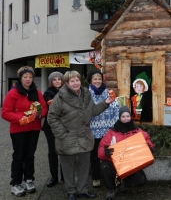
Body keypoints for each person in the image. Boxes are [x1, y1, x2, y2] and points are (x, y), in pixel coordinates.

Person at [47, 71, 114, 200]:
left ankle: (82, 190)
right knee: (68, 167)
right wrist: (61, 134)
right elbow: (52, 117)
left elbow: (92, 111)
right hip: (67, 137)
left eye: (77, 80)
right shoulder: (60, 97)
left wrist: (106, 102)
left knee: (84, 166)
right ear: (66, 83)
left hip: (84, 136)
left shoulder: (86, 94)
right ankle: (71, 191)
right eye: (72, 81)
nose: (75, 83)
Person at [1, 66, 48, 197]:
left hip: (34, 129)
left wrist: (40, 115)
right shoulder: (13, 93)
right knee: (19, 156)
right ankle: (15, 183)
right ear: (20, 78)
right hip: (18, 130)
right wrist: (21, 118)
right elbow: (5, 113)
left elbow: (43, 108)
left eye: (30, 77)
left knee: (30, 155)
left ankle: (29, 180)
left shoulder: (37, 92)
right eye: (25, 77)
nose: (28, 79)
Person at [98, 106, 154, 200]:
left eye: (127, 116)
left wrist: (150, 148)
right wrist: (105, 151)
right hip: (114, 164)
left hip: (130, 164)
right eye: (123, 116)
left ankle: (123, 181)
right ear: (119, 118)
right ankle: (112, 189)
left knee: (141, 180)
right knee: (104, 166)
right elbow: (100, 151)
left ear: (130, 117)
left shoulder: (137, 131)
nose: (125, 118)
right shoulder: (112, 132)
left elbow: (147, 141)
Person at [87, 70, 119, 188]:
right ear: (90, 80)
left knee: (108, 155)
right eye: (94, 79)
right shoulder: (86, 94)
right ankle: (96, 177)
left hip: (107, 131)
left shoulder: (109, 93)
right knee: (94, 155)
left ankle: (109, 177)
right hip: (92, 130)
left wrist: (115, 127)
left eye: (99, 79)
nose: (97, 81)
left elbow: (116, 108)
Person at [42, 71, 65, 187]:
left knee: (65, 151)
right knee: (53, 151)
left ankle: (65, 175)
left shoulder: (67, 91)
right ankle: (54, 176)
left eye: (59, 79)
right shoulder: (47, 93)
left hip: (64, 125)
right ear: (51, 82)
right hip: (50, 126)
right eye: (54, 79)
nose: (57, 81)